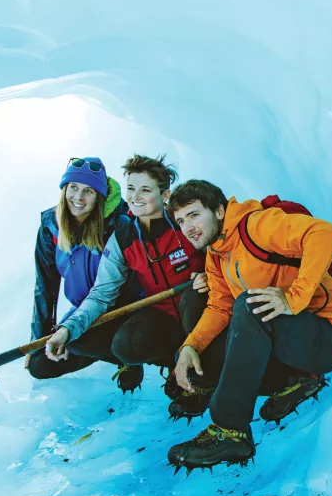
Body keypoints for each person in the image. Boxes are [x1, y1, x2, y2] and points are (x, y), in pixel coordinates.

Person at [164, 179, 332, 471]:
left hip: (323, 339)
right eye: (181, 221)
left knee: (249, 304)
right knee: (200, 361)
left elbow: (324, 232)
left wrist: (294, 298)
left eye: (194, 214)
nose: (188, 227)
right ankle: (295, 381)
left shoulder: (257, 226)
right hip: (283, 346)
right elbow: (219, 307)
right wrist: (190, 346)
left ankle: (231, 431)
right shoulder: (216, 253)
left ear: (219, 211)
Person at [43, 154, 210, 409]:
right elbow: (101, 294)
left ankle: (203, 376)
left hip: (202, 310)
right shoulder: (123, 239)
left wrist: (211, 274)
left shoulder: (183, 223)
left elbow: (220, 251)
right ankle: (175, 364)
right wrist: (68, 328)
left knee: (192, 298)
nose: (136, 196)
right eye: (131, 189)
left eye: (146, 190)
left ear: (165, 194)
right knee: (125, 344)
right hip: (163, 315)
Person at [27, 157, 144, 393]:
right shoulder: (51, 227)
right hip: (85, 309)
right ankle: (102, 349)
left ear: (99, 196)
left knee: (79, 340)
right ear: (64, 189)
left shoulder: (117, 225)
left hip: (119, 311)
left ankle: (126, 357)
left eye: (88, 191)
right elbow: (45, 286)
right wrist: (37, 340)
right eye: (73, 188)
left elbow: (131, 283)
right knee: (40, 365)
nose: (78, 198)